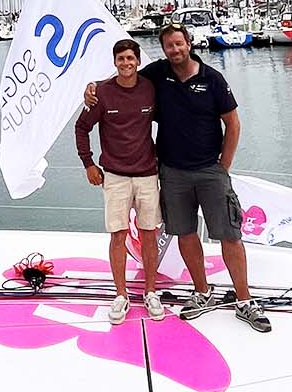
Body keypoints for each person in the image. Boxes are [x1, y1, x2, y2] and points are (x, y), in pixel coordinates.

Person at [85, 23, 269, 332]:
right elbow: (124, 78)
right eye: (169, 46)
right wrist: (93, 86)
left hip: (210, 170)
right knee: (185, 234)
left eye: (179, 44)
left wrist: (224, 165)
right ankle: (202, 292)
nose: (175, 50)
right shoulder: (158, 73)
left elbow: (233, 124)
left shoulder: (212, 79)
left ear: (189, 43)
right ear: (164, 49)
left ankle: (244, 300)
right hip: (171, 172)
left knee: (229, 235)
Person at [74, 39, 164, 324]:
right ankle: (121, 295)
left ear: (138, 61)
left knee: (149, 233)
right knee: (118, 235)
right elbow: (81, 127)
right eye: (121, 59)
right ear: (115, 62)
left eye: (130, 58)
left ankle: (150, 292)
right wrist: (88, 163)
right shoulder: (101, 93)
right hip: (114, 176)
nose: (126, 63)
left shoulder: (151, 88)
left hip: (148, 173)